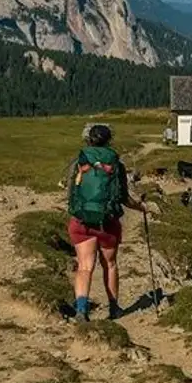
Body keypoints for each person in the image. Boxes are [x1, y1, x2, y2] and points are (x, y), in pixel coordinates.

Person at [65, 122, 145, 322]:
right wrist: (141, 208)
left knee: (85, 266)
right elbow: (124, 198)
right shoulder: (116, 164)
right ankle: (114, 308)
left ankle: (82, 310)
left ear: (89, 139)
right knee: (110, 264)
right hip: (107, 224)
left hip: (82, 222)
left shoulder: (79, 162)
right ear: (109, 140)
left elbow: (70, 192)